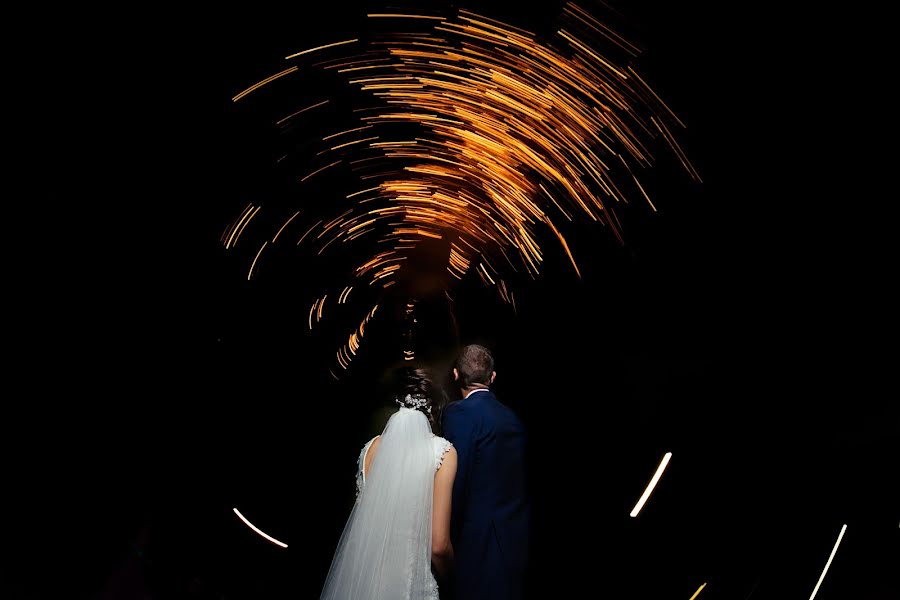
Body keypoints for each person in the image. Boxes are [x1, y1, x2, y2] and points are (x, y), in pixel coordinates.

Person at [319, 367, 458, 600]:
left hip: (363, 578)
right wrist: (455, 581)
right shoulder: (443, 452)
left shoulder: (370, 448)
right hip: (411, 584)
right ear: (434, 409)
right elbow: (439, 545)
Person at [442, 344, 530, 600]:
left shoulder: (458, 414)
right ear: (492, 377)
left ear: (456, 375)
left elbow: (457, 478)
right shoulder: (513, 417)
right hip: (514, 540)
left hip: (475, 543)